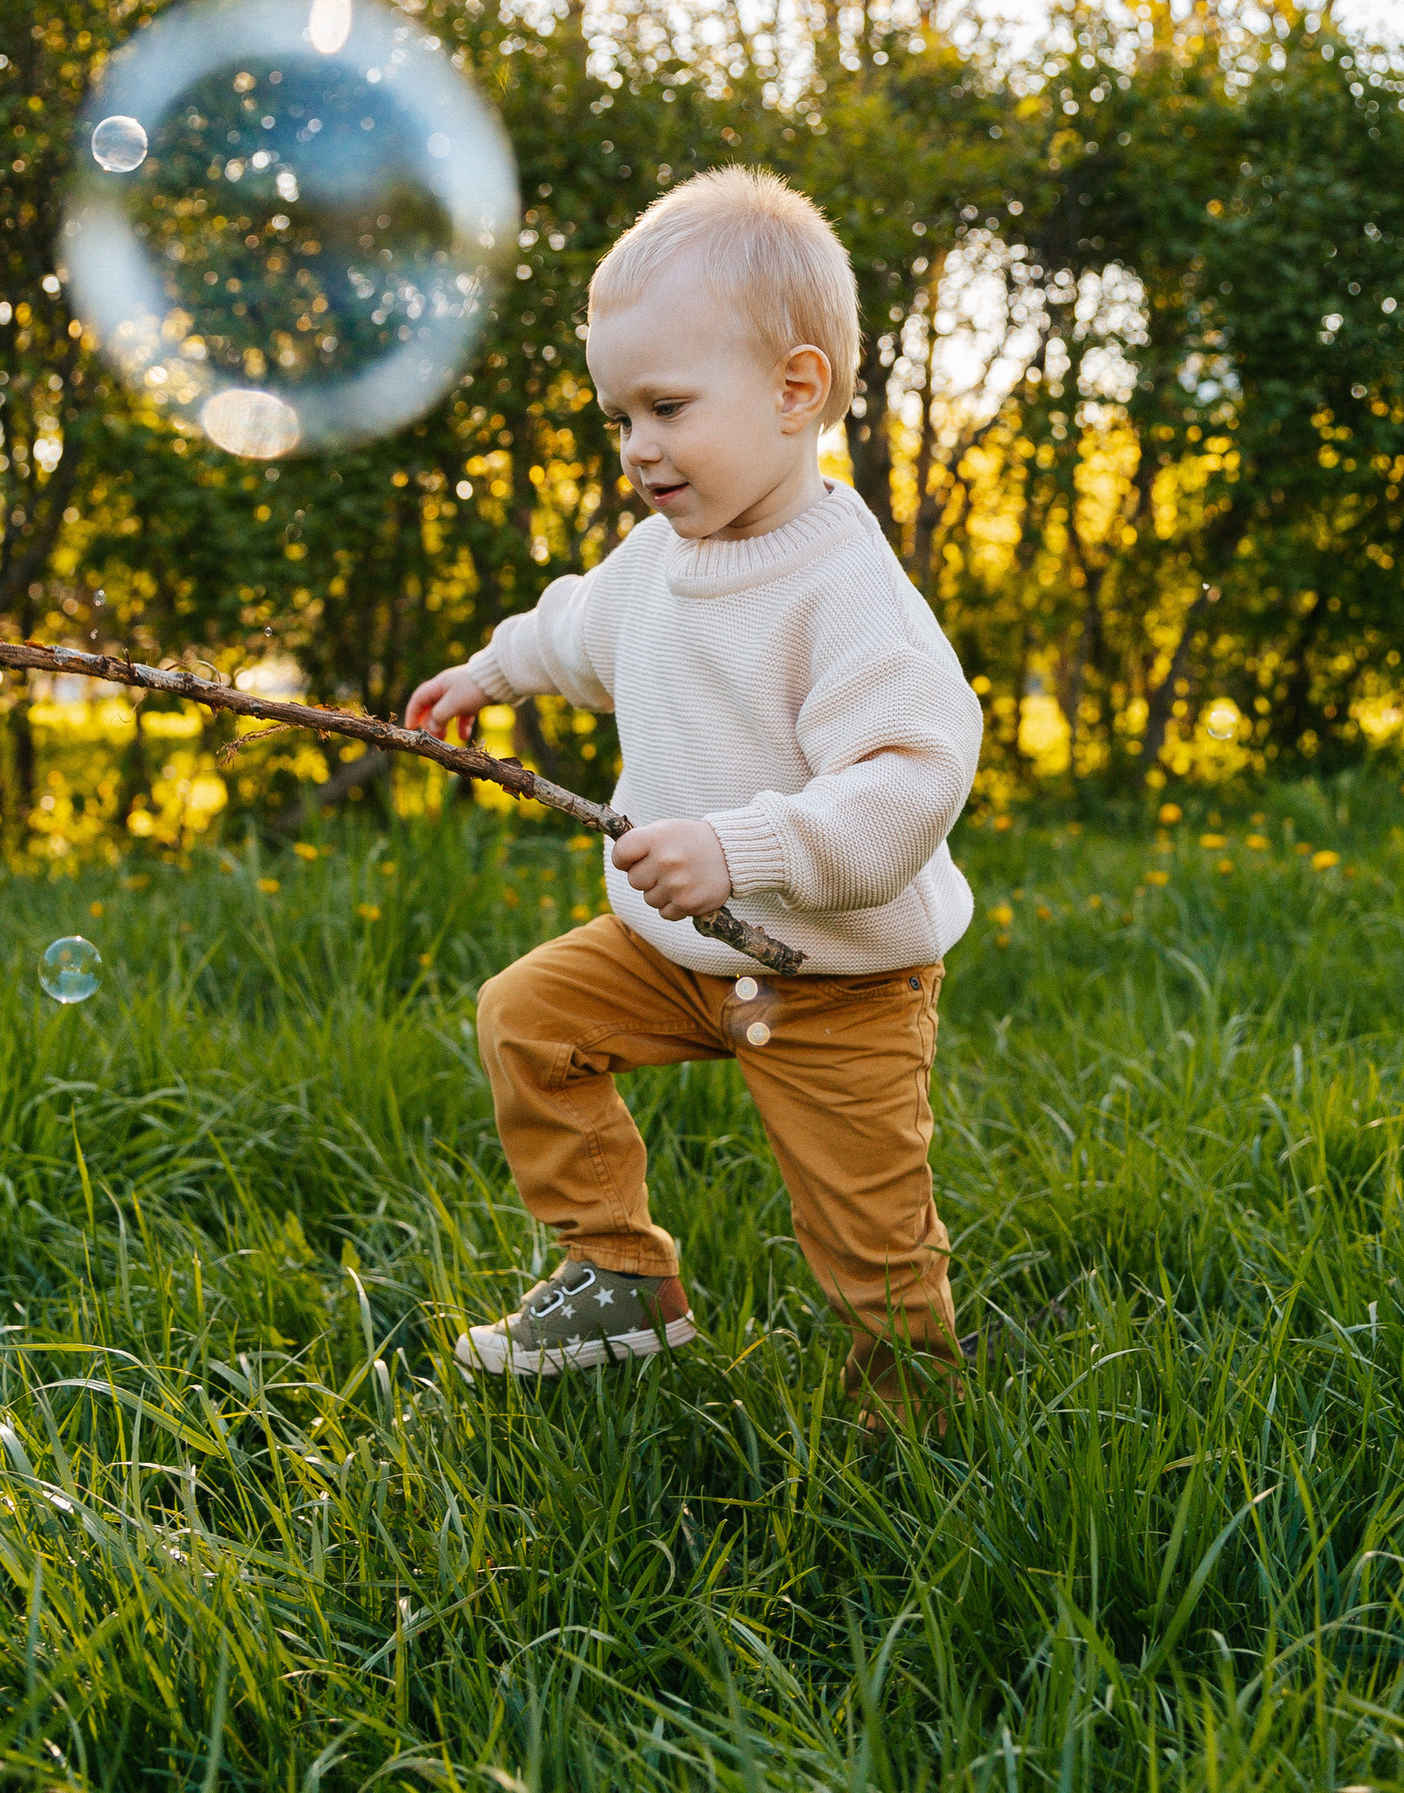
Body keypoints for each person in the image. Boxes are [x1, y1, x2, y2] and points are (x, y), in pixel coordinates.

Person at [406, 167, 981, 1411]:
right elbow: (579, 632)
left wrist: (742, 846)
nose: (638, 448)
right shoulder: (656, 560)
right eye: (619, 417)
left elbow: (908, 786)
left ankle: (915, 1418)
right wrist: (491, 671)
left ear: (794, 390)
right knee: (527, 1019)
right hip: (670, 951)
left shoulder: (848, 595)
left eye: (665, 406)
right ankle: (620, 1275)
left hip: (843, 984)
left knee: (870, 1242)